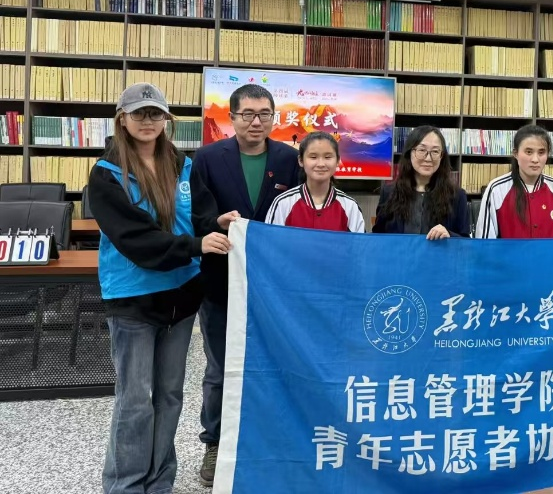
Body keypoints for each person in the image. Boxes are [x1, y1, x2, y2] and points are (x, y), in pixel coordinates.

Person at [88, 83, 238, 494]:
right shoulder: (106, 175)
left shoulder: (183, 165)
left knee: (170, 395)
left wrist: (217, 225)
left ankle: (159, 482)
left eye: (155, 113)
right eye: (139, 113)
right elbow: (136, 239)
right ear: (122, 119)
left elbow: (200, 217)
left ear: (166, 120)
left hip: (182, 298)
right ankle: (125, 484)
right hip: (132, 299)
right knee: (135, 399)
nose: (148, 121)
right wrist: (195, 246)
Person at [189, 83, 301, 486]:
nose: (256, 122)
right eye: (248, 114)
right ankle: (215, 443)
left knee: (274, 365)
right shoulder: (206, 158)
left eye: (264, 114)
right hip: (221, 279)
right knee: (221, 367)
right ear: (232, 117)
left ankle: (267, 441)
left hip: (275, 287)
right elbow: (195, 218)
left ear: (274, 118)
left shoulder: (289, 159)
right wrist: (216, 223)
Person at [475, 125, 553, 239]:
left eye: (541, 152)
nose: (535, 159)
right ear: (516, 153)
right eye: (529, 152)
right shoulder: (496, 190)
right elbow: (485, 244)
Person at [373, 125, 470, 238]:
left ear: (442, 156)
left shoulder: (457, 196)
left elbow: (466, 241)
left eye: (435, 151)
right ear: (410, 153)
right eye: (422, 150)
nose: (428, 158)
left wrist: (450, 235)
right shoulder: (389, 193)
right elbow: (377, 238)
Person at [265, 132, 365, 232]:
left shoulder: (350, 206)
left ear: (338, 160)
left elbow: (360, 242)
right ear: (301, 160)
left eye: (328, 157)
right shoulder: (283, 203)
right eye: (313, 157)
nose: (321, 164)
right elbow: (270, 240)